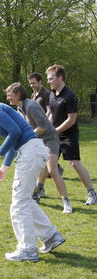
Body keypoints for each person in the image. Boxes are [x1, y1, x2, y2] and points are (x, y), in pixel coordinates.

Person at [0, 84, 65, 262]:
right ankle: (51, 236)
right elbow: (14, 138)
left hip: (31, 152)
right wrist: (4, 167)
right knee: (24, 200)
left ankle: (27, 249)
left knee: (18, 204)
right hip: (33, 150)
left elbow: (16, 132)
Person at [5, 83, 72, 214]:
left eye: (9, 95)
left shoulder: (31, 106)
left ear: (18, 94)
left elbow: (43, 126)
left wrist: (27, 136)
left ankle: (66, 203)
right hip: (37, 141)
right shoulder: (20, 108)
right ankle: (37, 192)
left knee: (52, 170)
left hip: (49, 140)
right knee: (34, 168)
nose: (8, 98)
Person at [46, 64, 97, 205]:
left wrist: (55, 131)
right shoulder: (51, 94)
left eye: (51, 78)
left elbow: (71, 120)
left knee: (74, 163)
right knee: (46, 163)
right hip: (54, 136)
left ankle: (92, 193)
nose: (48, 81)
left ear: (60, 78)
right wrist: (48, 129)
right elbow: (52, 115)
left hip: (69, 136)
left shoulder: (70, 96)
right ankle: (38, 191)